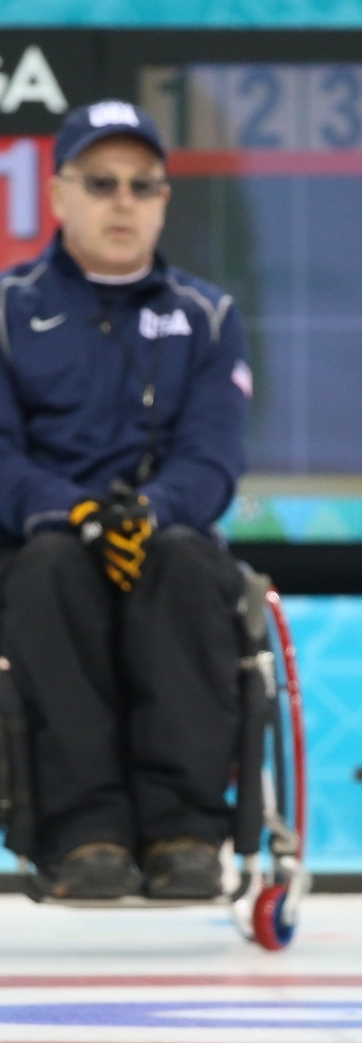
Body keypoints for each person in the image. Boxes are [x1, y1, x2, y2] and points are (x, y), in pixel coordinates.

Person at [0, 101, 252, 899]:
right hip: (43, 541)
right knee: (47, 568)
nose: (123, 201)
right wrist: (73, 513)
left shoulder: (208, 317)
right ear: (60, 193)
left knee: (183, 563)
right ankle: (84, 834)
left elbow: (213, 459)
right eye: (102, 182)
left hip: (163, 535)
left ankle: (184, 832)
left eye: (143, 185)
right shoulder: (7, 311)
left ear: (164, 199)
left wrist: (149, 513)